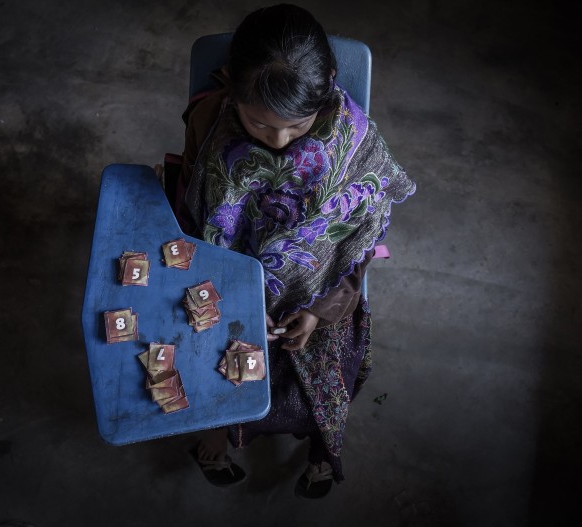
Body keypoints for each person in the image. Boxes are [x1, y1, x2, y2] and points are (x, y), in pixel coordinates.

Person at [173, 3, 415, 498]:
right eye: (260, 125)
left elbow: (359, 242)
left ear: (327, 83)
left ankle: (322, 449)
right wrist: (237, 305)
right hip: (230, 284)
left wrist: (319, 312)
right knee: (211, 369)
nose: (280, 140)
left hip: (321, 295)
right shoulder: (209, 120)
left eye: (297, 126)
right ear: (232, 89)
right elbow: (190, 209)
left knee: (320, 391)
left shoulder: (354, 143)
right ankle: (221, 430)